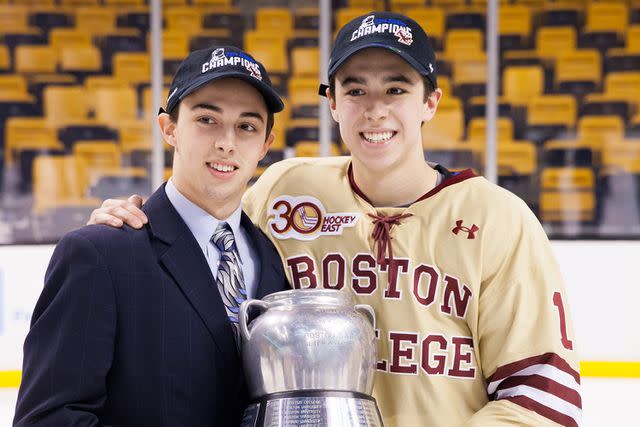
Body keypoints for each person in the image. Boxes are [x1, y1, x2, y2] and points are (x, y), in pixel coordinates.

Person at [88, 12, 582, 427]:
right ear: (332, 104)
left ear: (430, 102)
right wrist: (132, 223)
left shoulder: (498, 218)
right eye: (355, 91)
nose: (375, 110)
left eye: (395, 89)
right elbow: (204, 232)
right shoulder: (288, 190)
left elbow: (544, 395)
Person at [14, 45, 289, 426]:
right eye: (207, 119)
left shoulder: (275, 260)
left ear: (265, 145)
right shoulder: (99, 254)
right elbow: (48, 419)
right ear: (170, 128)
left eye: (246, 126)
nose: (227, 141)